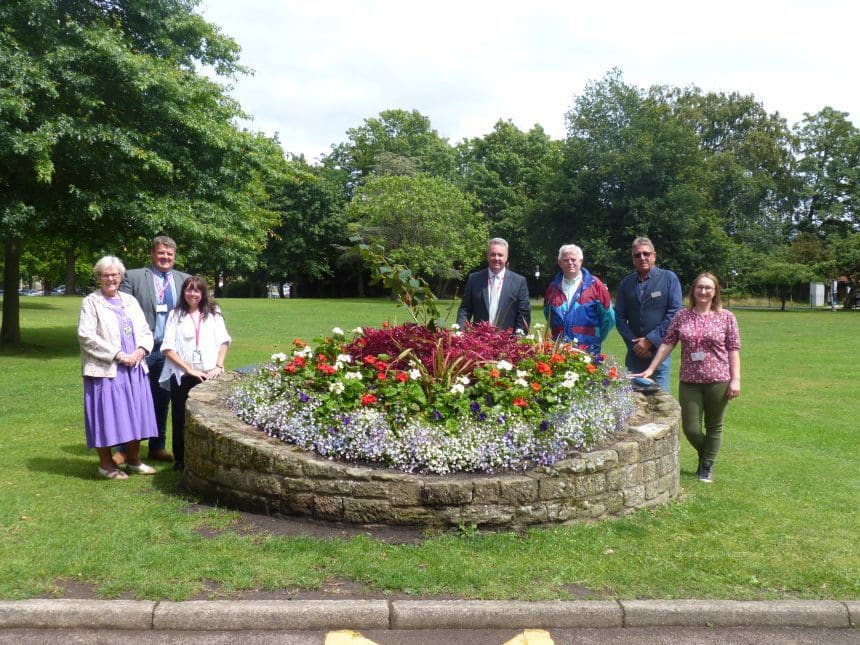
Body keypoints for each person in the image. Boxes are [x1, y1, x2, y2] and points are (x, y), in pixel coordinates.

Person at [632, 273, 741, 483]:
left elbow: (733, 350)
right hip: (689, 381)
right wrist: (651, 369)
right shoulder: (682, 316)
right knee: (690, 428)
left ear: (715, 291)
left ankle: (706, 466)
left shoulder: (726, 317)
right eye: (700, 287)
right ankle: (707, 455)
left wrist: (736, 380)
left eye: (708, 288)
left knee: (714, 425)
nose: (703, 291)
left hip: (718, 380)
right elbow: (668, 343)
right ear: (693, 290)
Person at [77, 256, 158, 479]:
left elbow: (144, 329)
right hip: (106, 370)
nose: (110, 278)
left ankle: (133, 460)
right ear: (98, 278)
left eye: (114, 274)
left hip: (134, 368)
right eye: (105, 275)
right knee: (106, 417)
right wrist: (119, 355)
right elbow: (86, 336)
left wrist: (141, 350)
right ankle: (106, 465)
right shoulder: (91, 302)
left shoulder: (130, 300)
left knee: (135, 415)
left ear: (121, 276)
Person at [114, 236, 190, 465]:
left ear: (174, 256)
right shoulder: (134, 276)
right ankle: (124, 449)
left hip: (170, 352)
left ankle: (157, 446)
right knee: (132, 398)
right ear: (152, 254)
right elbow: (121, 310)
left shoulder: (184, 279)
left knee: (162, 399)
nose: (165, 257)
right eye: (161, 253)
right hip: (140, 349)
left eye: (169, 254)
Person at [160, 277, 231, 471]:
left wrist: (218, 365)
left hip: (209, 374)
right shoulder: (176, 315)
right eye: (189, 290)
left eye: (197, 291)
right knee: (180, 417)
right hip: (183, 375)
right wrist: (188, 369)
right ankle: (181, 459)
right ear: (183, 292)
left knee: (210, 417)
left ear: (203, 293)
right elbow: (168, 347)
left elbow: (224, 340)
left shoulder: (214, 313)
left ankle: (209, 457)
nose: (193, 294)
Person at [615, 237, 682, 391]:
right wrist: (635, 345)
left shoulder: (668, 278)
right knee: (633, 405)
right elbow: (619, 317)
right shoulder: (626, 283)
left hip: (659, 354)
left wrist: (651, 340)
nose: (642, 258)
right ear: (633, 259)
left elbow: (674, 313)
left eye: (646, 253)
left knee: (661, 402)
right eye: (637, 255)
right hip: (634, 355)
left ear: (654, 255)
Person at [543, 244, 615, 353]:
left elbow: (608, 318)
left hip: (588, 351)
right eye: (566, 260)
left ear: (580, 261)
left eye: (573, 259)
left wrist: (596, 337)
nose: (570, 263)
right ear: (560, 263)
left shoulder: (595, 285)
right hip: (558, 352)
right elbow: (548, 316)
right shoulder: (552, 288)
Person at [456, 238, 531, 333]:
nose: (496, 258)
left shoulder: (519, 282)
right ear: (487, 256)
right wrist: (459, 332)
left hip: (507, 343)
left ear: (506, 257)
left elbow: (523, 314)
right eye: (493, 254)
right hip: (479, 341)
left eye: (500, 255)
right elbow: (465, 309)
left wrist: (519, 340)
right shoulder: (474, 279)